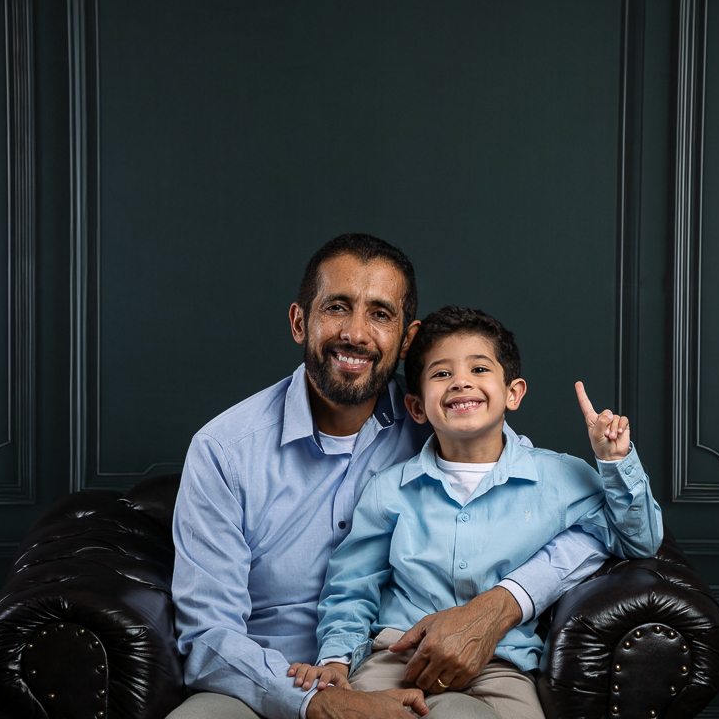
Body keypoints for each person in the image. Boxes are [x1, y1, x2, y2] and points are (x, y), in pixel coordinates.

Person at [169, 234, 617, 719]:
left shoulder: (445, 417)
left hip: (403, 675)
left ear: (406, 339)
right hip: (261, 686)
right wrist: (317, 702)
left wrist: (504, 602)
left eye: (380, 314)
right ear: (300, 322)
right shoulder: (223, 451)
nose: (356, 334)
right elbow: (208, 637)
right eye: (337, 307)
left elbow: (575, 511)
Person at [286, 307, 663, 718]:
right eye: (441, 374)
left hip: (501, 665)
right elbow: (352, 585)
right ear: (417, 406)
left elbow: (638, 539)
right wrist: (337, 660)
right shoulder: (389, 489)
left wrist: (615, 461)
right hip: (395, 656)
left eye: (479, 369)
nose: (461, 381)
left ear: (513, 393)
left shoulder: (561, 477)